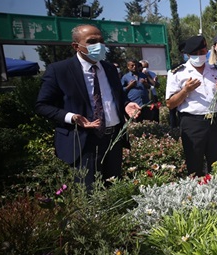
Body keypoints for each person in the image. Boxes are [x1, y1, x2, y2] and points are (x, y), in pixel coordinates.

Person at [35, 24, 141, 188]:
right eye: (92, 41)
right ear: (76, 46)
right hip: (83, 142)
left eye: (101, 41)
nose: (98, 45)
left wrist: (126, 105)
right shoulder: (59, 70)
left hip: (113, 139)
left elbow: (117, 97)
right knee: (89, 192)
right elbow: (42, 105)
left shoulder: (109, 69)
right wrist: (72, 117)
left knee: (114, 189)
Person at [165, 35, 217, 176]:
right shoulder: (177, 73)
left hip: (215, 121)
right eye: (195, 54)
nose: (199, 56)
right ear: (188, 55)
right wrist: (185, 90)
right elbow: (170, 103)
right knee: (194, 162)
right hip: (193, 123)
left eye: (202, 52)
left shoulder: (215, 71)